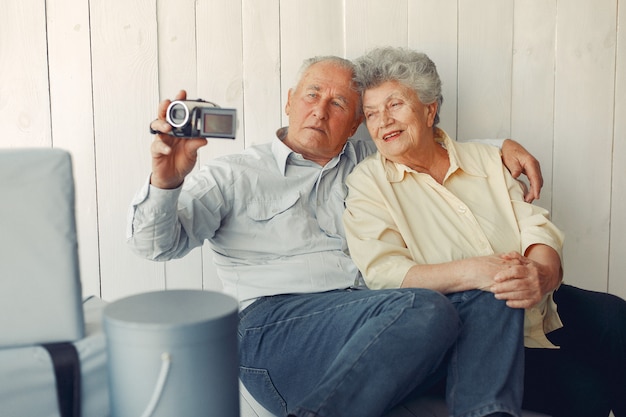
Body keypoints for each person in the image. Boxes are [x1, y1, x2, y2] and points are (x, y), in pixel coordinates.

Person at [128, 55, 543, 417]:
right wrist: (166, 182)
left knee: (494, 289)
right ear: (289, 100)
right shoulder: (234, 174)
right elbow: (155, 246)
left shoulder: (371, 162)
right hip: (273, 333)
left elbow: (423, 144)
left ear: (356, 122)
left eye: (338, 102)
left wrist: (499, 147)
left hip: (373, 324)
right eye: (311, 95)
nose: (320, 111)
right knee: (427, 306)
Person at [343, 46, 626, 417]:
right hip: (470, 325)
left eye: (395, 105)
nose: (382, 122)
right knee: (586, 391)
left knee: (615, 318)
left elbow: (535, 227)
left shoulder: (487, 159)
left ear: (429, 110)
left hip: (534, 301)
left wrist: (541, 274)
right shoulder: (368, 183)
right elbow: (385, 274)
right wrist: (479, 271)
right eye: (371, 113)